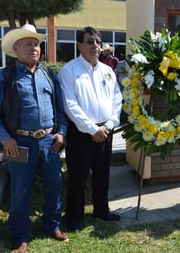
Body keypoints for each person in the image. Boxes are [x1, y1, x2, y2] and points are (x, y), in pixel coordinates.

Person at [0, 24, 69, 252]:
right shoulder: (5, 77)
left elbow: (60, 108)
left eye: (37, 44)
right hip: (19, 144)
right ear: (16, 48)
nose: (34, 48)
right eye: (28, 44)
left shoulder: (49, 75)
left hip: (49, 142)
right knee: (20, 190)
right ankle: (20, 236)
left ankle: (53, 225)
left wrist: (61, 133)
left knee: (54, 185)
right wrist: (5, 138)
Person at [58, 27, 123, 232]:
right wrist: (91, 129)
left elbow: (116, 99)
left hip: (106, 130)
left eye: (97, 41)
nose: (95, 46)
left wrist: (109, 125)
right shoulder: (69, 70)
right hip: (81, 133)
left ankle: (101, 210)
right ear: (79, 45)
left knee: (102, 173)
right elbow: (70, 105)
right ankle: (74, 217)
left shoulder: (108, 70)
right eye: (89, 41)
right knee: (78, 175)